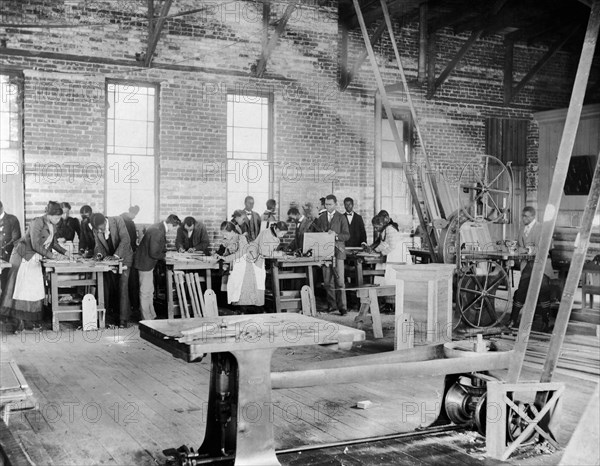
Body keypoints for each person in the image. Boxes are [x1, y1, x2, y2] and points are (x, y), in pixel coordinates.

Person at [0, 201, 69, 331]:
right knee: (21, 290)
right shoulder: (37, 222)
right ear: (49, 215)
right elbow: (35, 244)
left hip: (35, 258)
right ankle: (19, 321)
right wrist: (53, 256)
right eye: (56, 217)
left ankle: (29, 320)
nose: (58, 220)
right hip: (24, 257)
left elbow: (53, 243)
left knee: (34, 290)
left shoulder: (52, 225)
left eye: (59, 218)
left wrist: (65, 252)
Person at [216, 221, 287, 311]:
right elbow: (226, 251)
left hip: (245, 265)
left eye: (225, 234)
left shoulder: (241, 238)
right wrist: (220, 255)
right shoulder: (228, 240)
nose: (224, 236)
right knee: (236, 289)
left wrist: (226, 258)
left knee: (245, 290)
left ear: (232, 232)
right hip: (237, 265)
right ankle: (239, 309)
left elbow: (240, 253)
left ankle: (245, 310)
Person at [507, 206, 554, 331]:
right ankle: (513, 319)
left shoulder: (542, 228)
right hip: (527, 264)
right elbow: (518, 244)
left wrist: (527, 250)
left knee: (543, 291)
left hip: (541, 264)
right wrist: (514, 247)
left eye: (526, 216)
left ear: (533, 216)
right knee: (521, 290)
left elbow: (546, 247)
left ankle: (546, 322)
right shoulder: (522, 228)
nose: (523, 218)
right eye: (523, 216)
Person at [134, 214, 181, 320]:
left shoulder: (159, 227)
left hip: (147, 263)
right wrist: (166, 255)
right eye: (173, 227)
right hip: (145, 264)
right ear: (169, 224)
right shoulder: (158, 231)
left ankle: (151, 315)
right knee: (145, 292)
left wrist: (166, 251)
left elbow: (157, 247)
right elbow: (154, 253)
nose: (173, 230)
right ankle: (146, 318)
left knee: (149, 290)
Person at [90, 213, 134, 327]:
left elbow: (125, 240)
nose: (100, 231)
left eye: (101, 228)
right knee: (108, 286)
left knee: (122, 287)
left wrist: (115, 256)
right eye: (97, 229)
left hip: (124, 258)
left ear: (105, 222)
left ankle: (123, 320)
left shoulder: (118, 220)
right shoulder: (96, 229)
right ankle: (107, 315)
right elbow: (98, 245)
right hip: (109, 260)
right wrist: (99, 255)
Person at [314, 194, 350, 315]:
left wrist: (335, 235)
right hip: (325, 253)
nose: (328, 206)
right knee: (327, 281)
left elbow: (347, 235)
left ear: (335, 204)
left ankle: (343, 307)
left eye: (330, 204)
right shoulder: (321, 218)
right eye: (326, 204)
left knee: (340, 282)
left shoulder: (341, 218)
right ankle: (332, 305)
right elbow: (317, 236)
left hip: (338, 252)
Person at [371, 213, 413, 286]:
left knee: (394, 272)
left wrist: (382, 253)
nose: (375, 229)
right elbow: (384, 243)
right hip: (393, 250)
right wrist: (375, 250)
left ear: (381, 224)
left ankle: (394, 288)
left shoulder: (389, 229)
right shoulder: (384, 230)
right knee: (390, 271)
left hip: (398, 252)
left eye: (376, 227)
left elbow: (392, 245)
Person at [0, 201, 22, 293]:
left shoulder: (12, 220)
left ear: (1, 208)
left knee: (6, 288)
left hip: (8, 257)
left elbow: (16, 239)